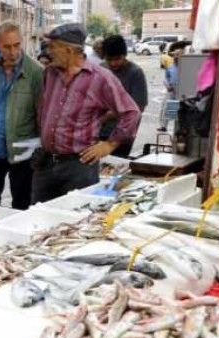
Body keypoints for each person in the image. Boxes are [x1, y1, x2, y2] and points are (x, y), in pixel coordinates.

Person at [31, 24, 140, 204]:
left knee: (74, 220)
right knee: (37, 219)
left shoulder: (100, 78)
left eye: (53, 47)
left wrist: (109, 144)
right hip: (46, 163)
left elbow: (131, 112)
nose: (49, 52)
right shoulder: (50, 73)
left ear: (68, 50)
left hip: (78, 166)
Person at [0, 21, 43, 210]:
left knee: (22, 204)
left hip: (22, 150)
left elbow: (42, 113)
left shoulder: (35, 72)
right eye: (7, 46)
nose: (13, 52)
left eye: (17, 45)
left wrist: (39, 148)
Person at [100, 35, 148, 158]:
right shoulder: (101, 68)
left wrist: (108, 115)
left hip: (122, 133)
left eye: (117, 59)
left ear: (125, 54)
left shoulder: (135, 73)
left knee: (114, 165)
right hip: (98, 130)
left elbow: (139, 107)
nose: (113, 63)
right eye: (109, 59)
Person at [158, 42, 184, 132]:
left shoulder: (184, 67)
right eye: (174, 55)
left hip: (181, 90)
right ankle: (163, 126)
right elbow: (166, 78)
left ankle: (179, 129)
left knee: (179, 109)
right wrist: (167, 86)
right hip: (171, 89)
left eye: (177, 55)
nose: (175, 57)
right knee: (166, 107)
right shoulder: (170, 67)